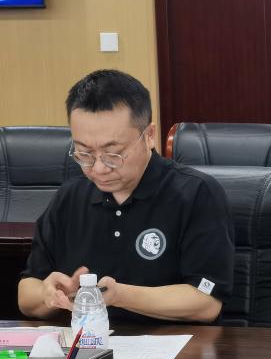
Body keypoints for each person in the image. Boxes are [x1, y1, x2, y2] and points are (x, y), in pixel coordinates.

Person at [18, 70, 235, 324]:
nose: (99, 168)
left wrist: (120, 296)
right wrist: (48, 294)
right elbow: (27, 292)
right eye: (84, 154)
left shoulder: (196, 194)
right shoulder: (70, 197)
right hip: (87, 344)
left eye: (114, 154)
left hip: (175, 346)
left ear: (149, 136)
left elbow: (206, 302)